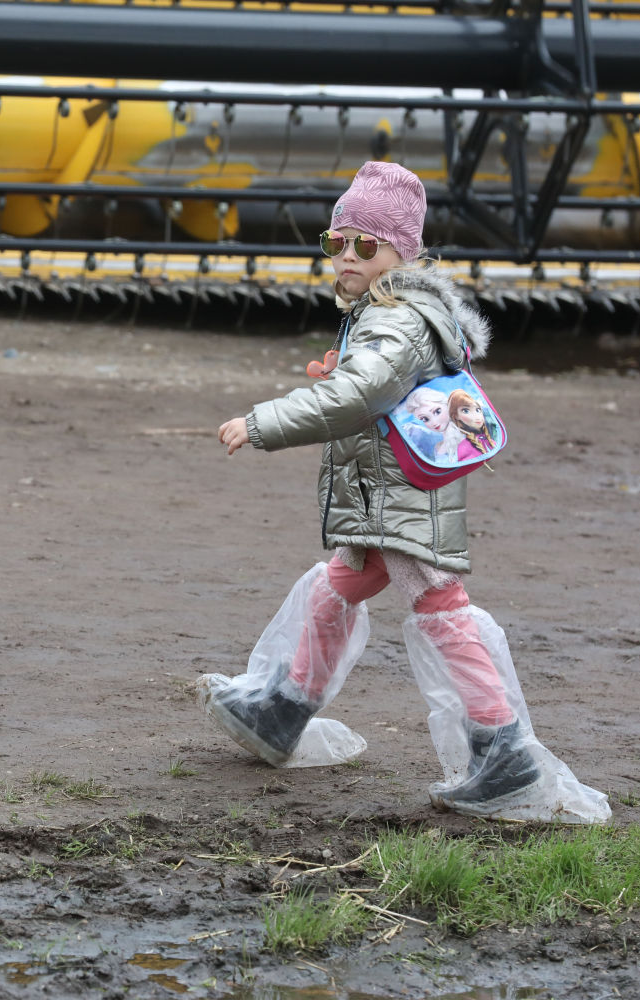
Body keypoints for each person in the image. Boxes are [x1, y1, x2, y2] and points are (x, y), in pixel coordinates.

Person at [208, 160, 608, 823]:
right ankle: (282, 707)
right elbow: (373, 386)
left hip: (403, 493)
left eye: (364, 244)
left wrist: (263, 422)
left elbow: (360, 395)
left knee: (440, 605)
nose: (346, 256)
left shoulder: (395, 320)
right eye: (336, 242)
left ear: (401, 249)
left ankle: (500, 745)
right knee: (338, 585)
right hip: (383, 492)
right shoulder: (385, 313)